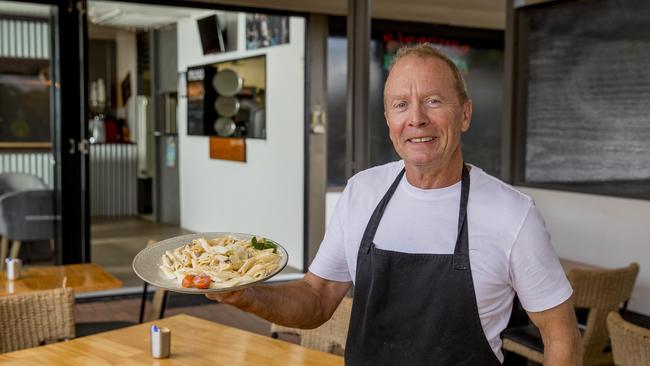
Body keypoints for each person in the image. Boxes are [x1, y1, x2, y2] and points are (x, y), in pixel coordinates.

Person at [208, 43, 582, 365]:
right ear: (389, 120)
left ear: (464, 114)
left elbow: (560, 334)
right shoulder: (361, 193)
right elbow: (317, 298)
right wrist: (248, 295)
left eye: (433, 101)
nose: (416, 119)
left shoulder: (512, 214)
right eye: (401, 105)